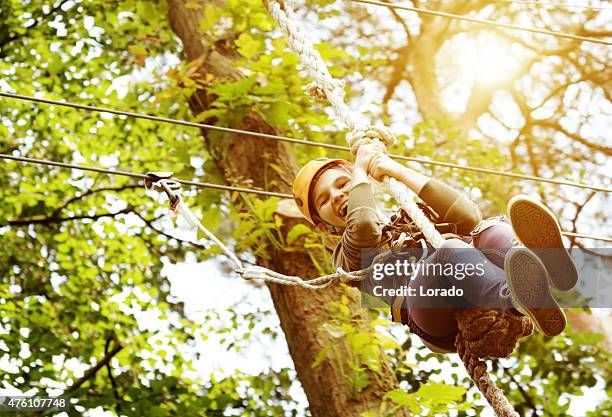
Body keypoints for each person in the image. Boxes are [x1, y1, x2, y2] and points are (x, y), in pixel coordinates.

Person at [292, 142, 578, 353]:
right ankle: (514, 297)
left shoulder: (408, 217)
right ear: (323, 225)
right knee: (449, 252)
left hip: (473, 274)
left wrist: (393, 169)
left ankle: (548, 266)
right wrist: (359, 170)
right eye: (325, 201)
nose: (338, 195)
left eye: (342, 185)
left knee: (489, 229)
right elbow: (365, 224)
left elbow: (468, 216)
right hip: (430, 312)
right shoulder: (346, 258)